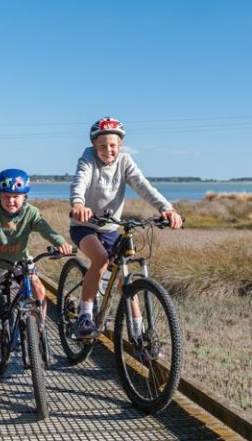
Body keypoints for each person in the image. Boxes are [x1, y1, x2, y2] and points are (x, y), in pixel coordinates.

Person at [69, 116, 183, 339]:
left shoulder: (125, 161)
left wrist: (166, 209)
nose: (108, 150)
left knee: (125, 277)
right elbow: (80, 180)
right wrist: (78, 204)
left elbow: (142, 185)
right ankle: (85, 316)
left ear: (121, 145)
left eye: (113, 145)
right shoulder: (88, 159)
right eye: (102, 146)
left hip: (110, 228)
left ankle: (139, 334)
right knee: (100, 259)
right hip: (84, 226)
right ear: (94, 146)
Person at [0, 169, 72, 386]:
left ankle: (38, 334)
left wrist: (61, 242)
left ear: (25, 197)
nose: (10, 201)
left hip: (20, 261)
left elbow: (45, 228)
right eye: (6, 196)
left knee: (39, 292)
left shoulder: (31, 212)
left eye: (16, 197)